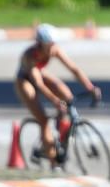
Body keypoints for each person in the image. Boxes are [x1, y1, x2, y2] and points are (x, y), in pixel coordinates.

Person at [14, 24, 102, 166]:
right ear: (40, 43)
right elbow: (39, 84)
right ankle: (52, 159)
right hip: (25, 80)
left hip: (40, 74)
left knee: (67, 95)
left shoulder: (54, 50)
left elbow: (74, 69)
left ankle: (61, 131)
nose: (51, 46)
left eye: (53, 43)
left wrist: (90, 87)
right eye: (48, 44)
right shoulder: (30, 55)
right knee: (43, 119)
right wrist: (55, 100)